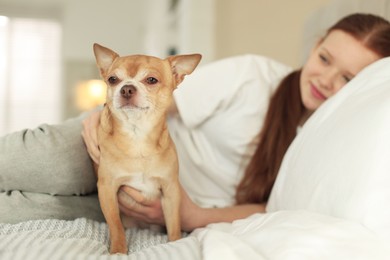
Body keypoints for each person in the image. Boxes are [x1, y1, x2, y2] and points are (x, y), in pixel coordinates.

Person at [1, 13, 390, 231]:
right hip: (98, 147)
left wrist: (193, 216)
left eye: (348, 79)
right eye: (325, 59)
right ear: (315, 46)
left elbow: (270, 208)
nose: (325, 79)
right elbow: (152, 99)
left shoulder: (328, 144)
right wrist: (94, 121)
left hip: (143, 205)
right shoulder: (253, 77)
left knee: (14, 213)